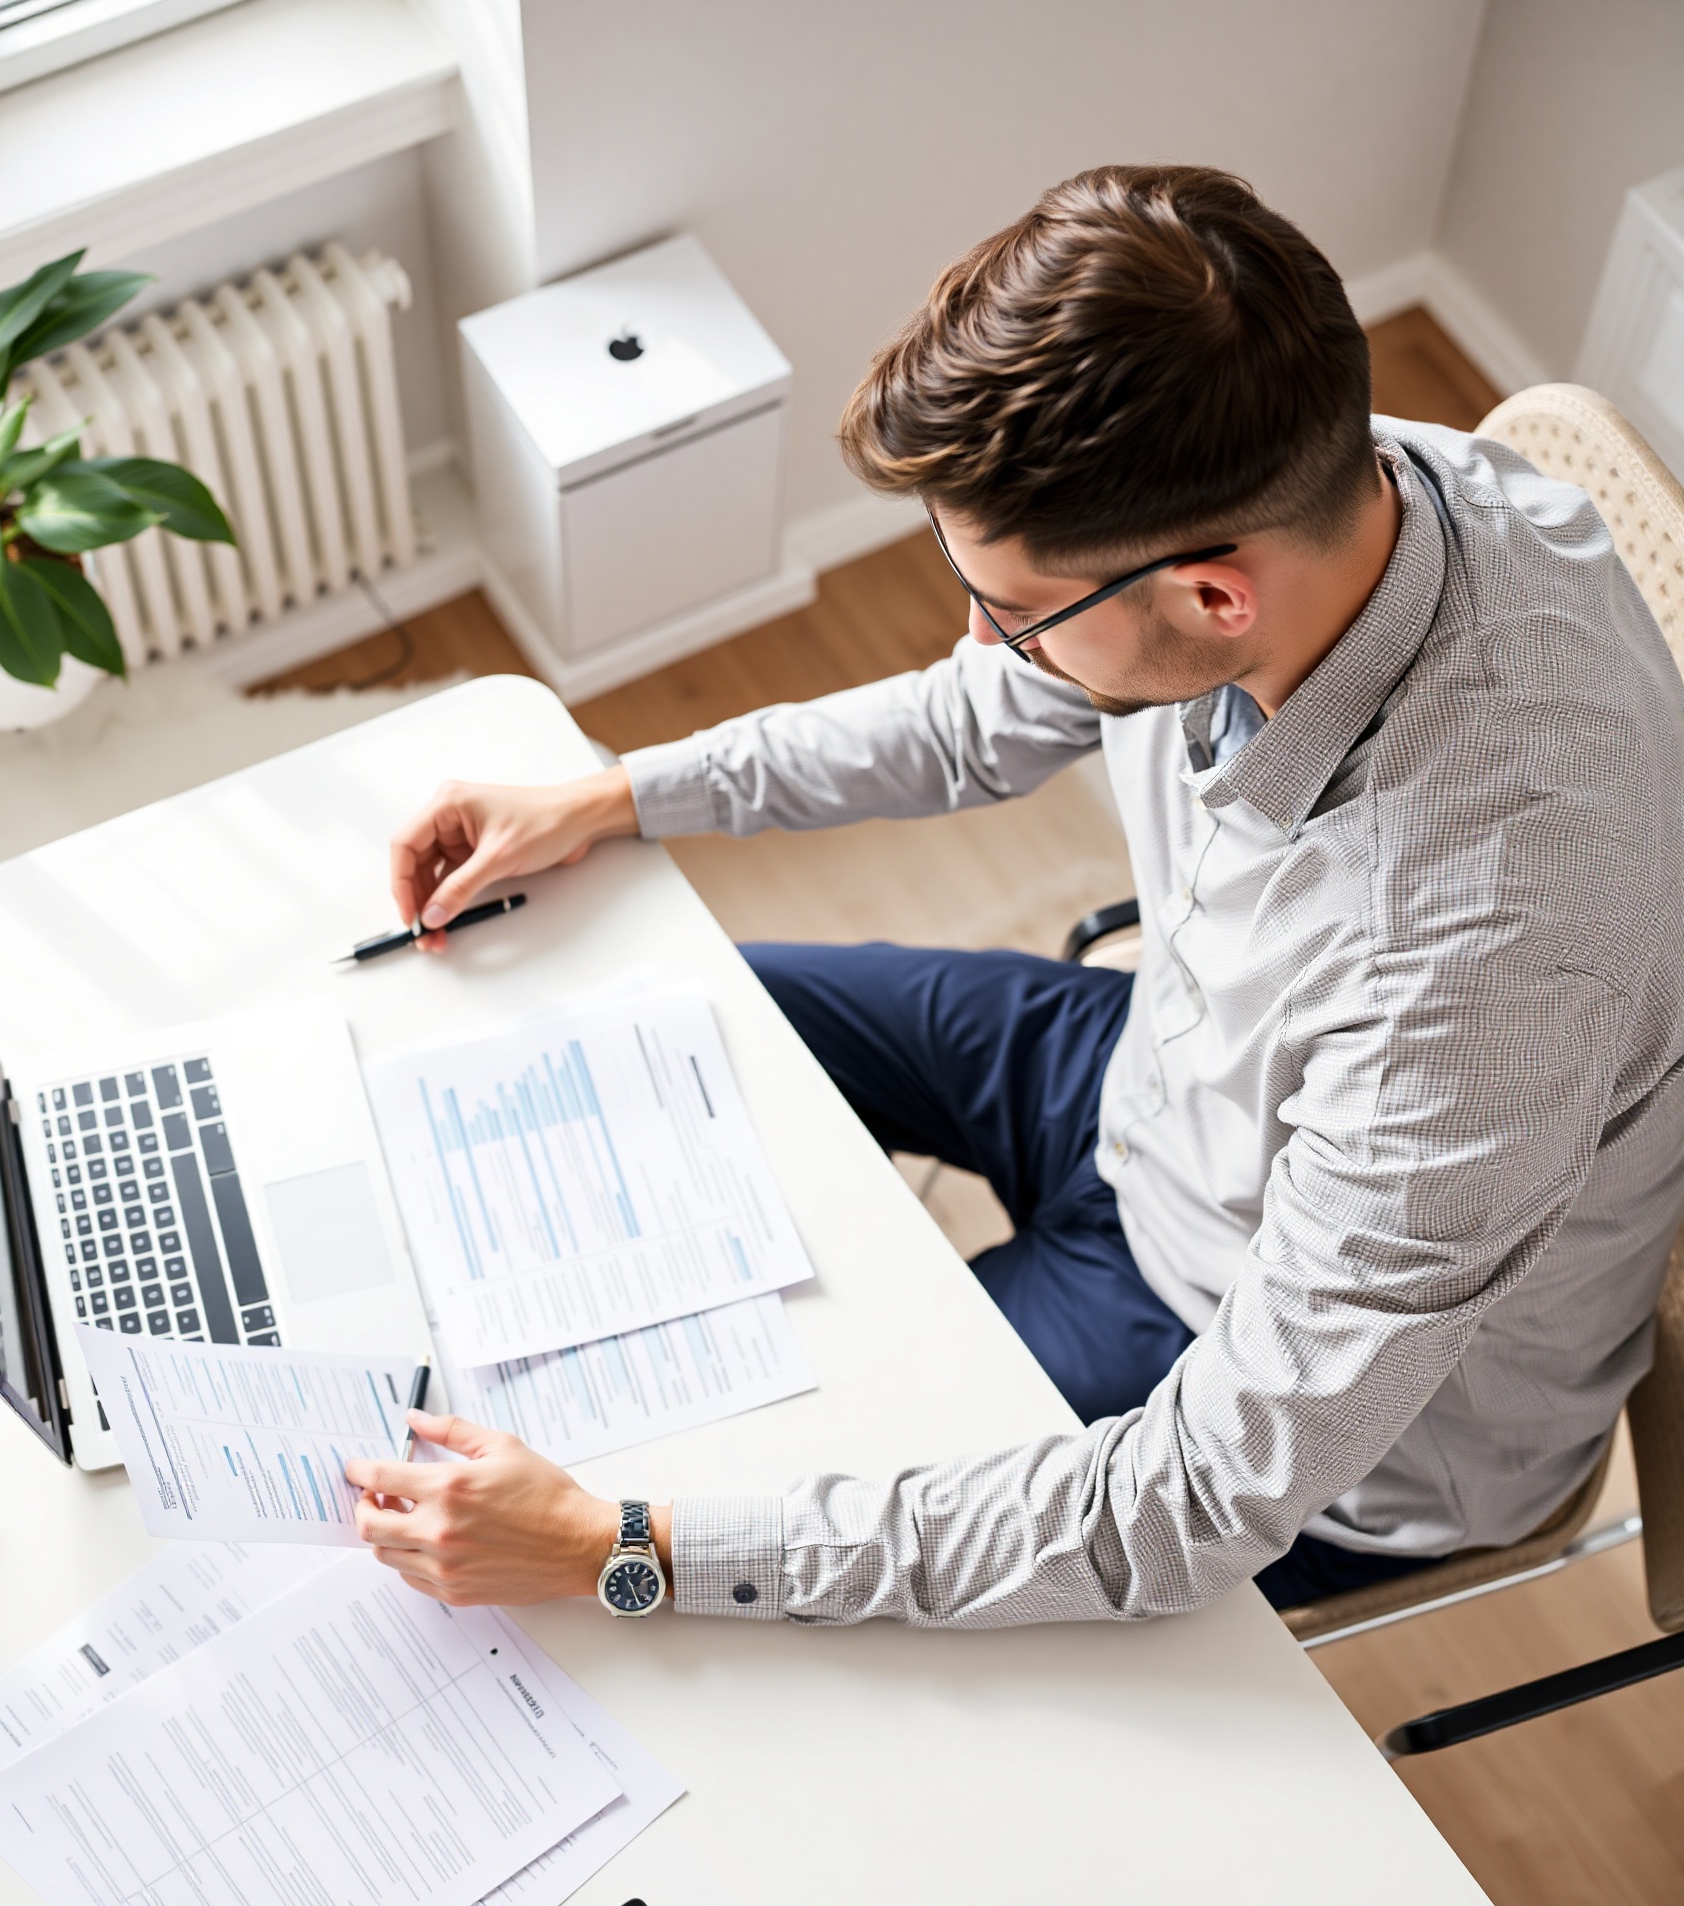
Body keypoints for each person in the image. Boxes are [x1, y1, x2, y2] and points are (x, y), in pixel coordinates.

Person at [343, 163, 1684, 1629]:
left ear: (1214, 599)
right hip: (1163, 1085)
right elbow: (981, 716)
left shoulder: (1472, 960)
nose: (978, 637)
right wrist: (618, 792)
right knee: (683, 1027)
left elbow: (1191, 1507)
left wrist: (626, 1547)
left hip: (1281, 1379)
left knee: (766, 1505)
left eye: (1016, 612)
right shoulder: (1364, 484)